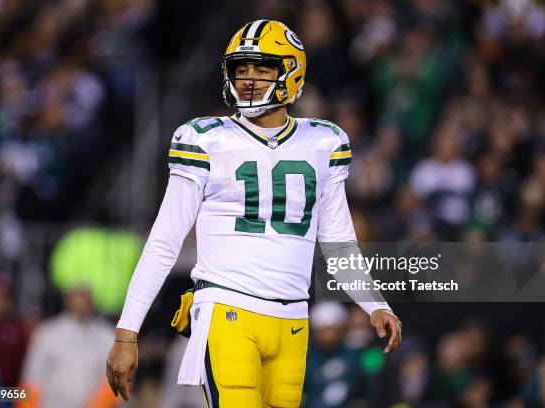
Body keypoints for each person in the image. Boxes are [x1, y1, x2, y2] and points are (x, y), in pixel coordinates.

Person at [107, 19, 402, 408]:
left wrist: (373, 302)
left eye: (262, 69)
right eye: (241, 69)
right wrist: (126, 334)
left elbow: (336, 239)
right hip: (228, 309)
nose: (249, 79)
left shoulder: (323, 141)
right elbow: (164, 241)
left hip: (294, 318)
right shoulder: (206, 138)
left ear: (291, 72)